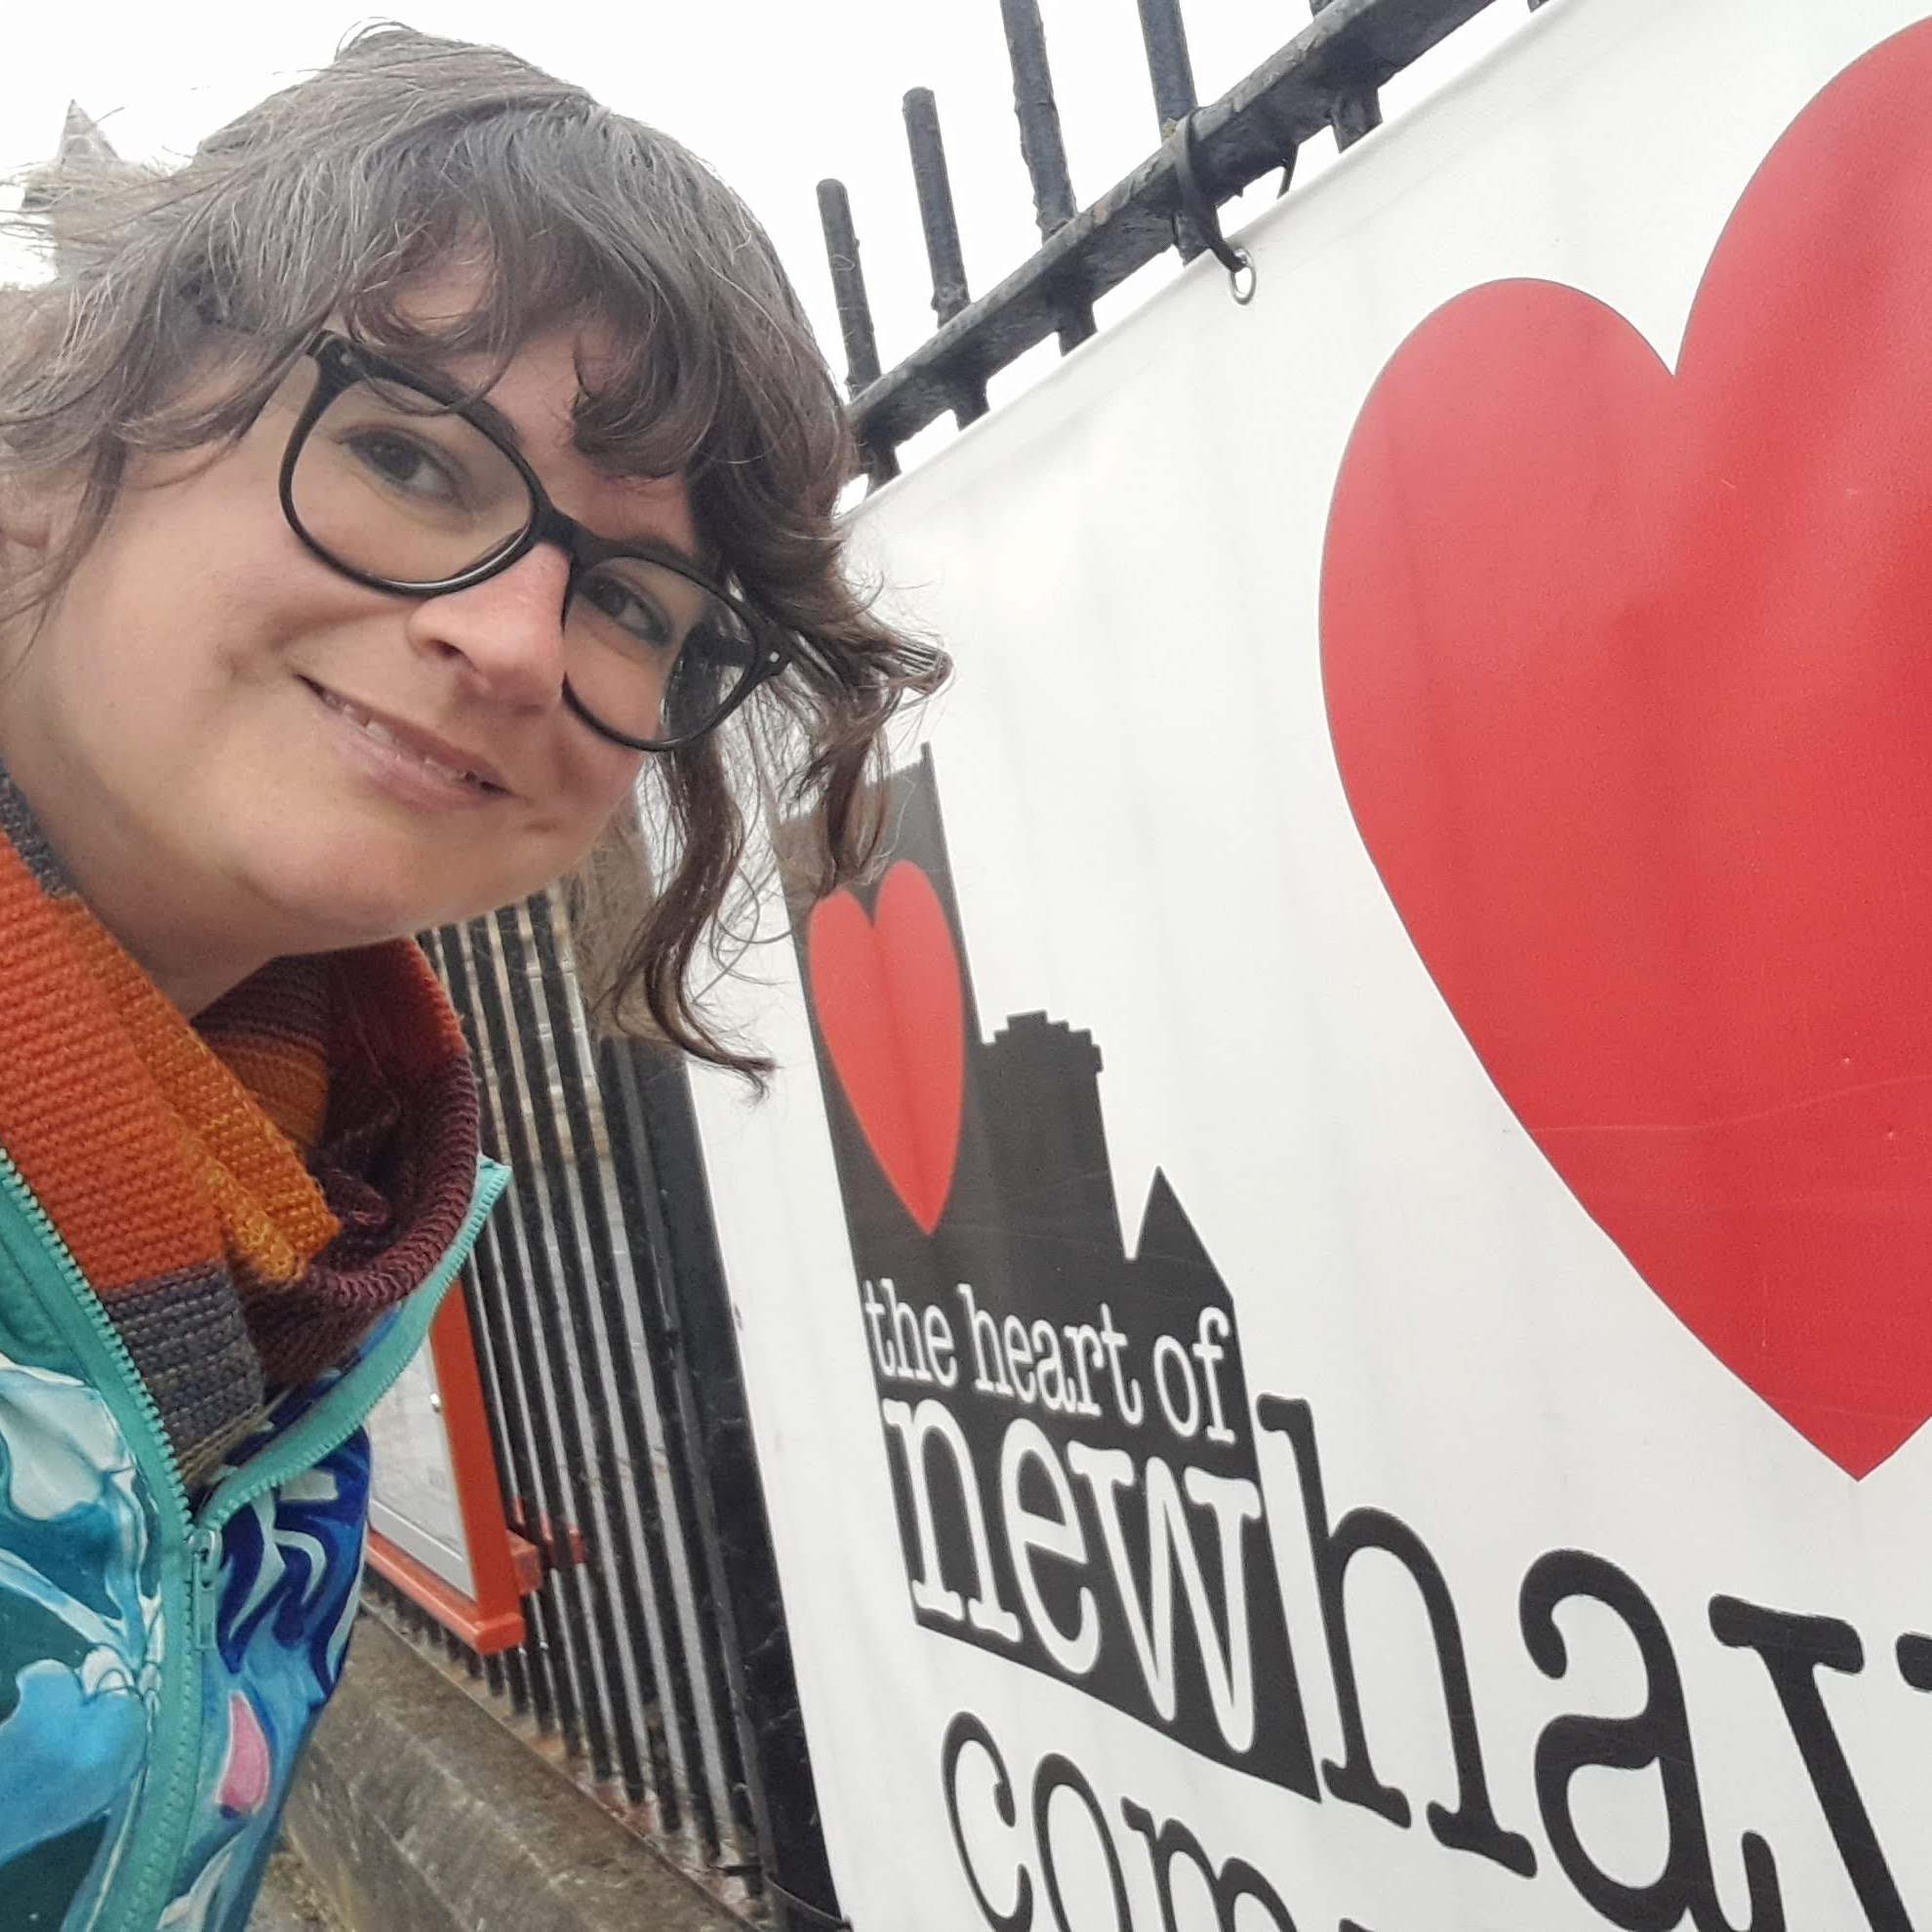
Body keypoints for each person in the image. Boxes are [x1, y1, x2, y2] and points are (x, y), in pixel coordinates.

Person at [0, 26, 943, 1931]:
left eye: (633, 602)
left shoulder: (311, 1220)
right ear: (53, 433)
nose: (517, 642)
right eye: (409, 456)